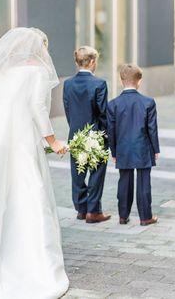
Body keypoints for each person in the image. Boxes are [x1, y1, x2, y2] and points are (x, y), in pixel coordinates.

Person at [0, 27, 69, 299]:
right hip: (19, 140)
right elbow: (37, 108)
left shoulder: (3, 72)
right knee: (26, 192)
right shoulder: (38, 72)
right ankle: (25, 259)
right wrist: (53, 141)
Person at [107, 64, 160, 226]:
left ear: (121, 80)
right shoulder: (148, 102)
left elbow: (111, 131)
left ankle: (123, 216)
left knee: (124, 181)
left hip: (123, 148)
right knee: (144, 182)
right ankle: (145, 217)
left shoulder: (113, 104)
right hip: (143, 148)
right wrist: (155, 149)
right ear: (139, 81)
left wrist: (114, 152)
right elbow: (152, 129)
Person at [63, 46, 111, 224]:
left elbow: (68, 110)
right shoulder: (99, 84)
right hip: (96, 135)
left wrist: (75, 129)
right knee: (97, 172)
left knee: (77, 173)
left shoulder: (68, 84)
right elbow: (103, 113)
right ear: (92, 62)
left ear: (77, 62)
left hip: (75, 134)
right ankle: (93, 210)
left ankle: (81, 209)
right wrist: (107, 136)